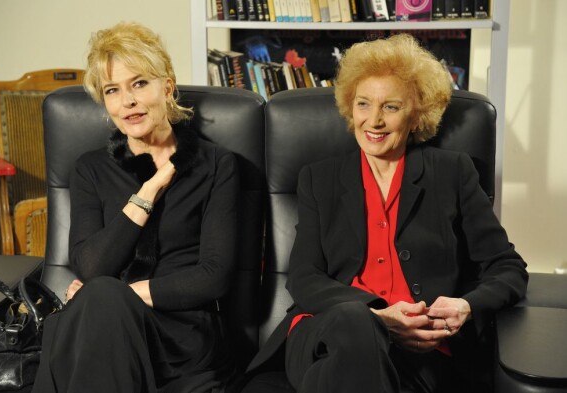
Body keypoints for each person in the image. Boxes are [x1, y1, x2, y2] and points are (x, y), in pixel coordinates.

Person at [244, 34, 528, 393]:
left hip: (417, 348)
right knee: (354, 319)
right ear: (350, 107)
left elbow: (507, 267)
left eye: (391, 107)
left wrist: (466, 306)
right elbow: (304, 277)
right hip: (322, 331)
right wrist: (376, 314)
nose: (373, 121)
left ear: (417, 114)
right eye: (363, 104)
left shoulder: (453, 173)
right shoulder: (319, 178)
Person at [32, 22, 239, 393]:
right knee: (97, 303)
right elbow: (92, 265)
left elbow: (214, 276)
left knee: (99, 299)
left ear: (167, 87)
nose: (127, 101)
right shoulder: (90, 169)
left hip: (179, 334)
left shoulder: (216, 165)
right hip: (105, 324)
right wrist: (148, 190)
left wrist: (115, 294)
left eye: (139, 84)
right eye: (113, 90)